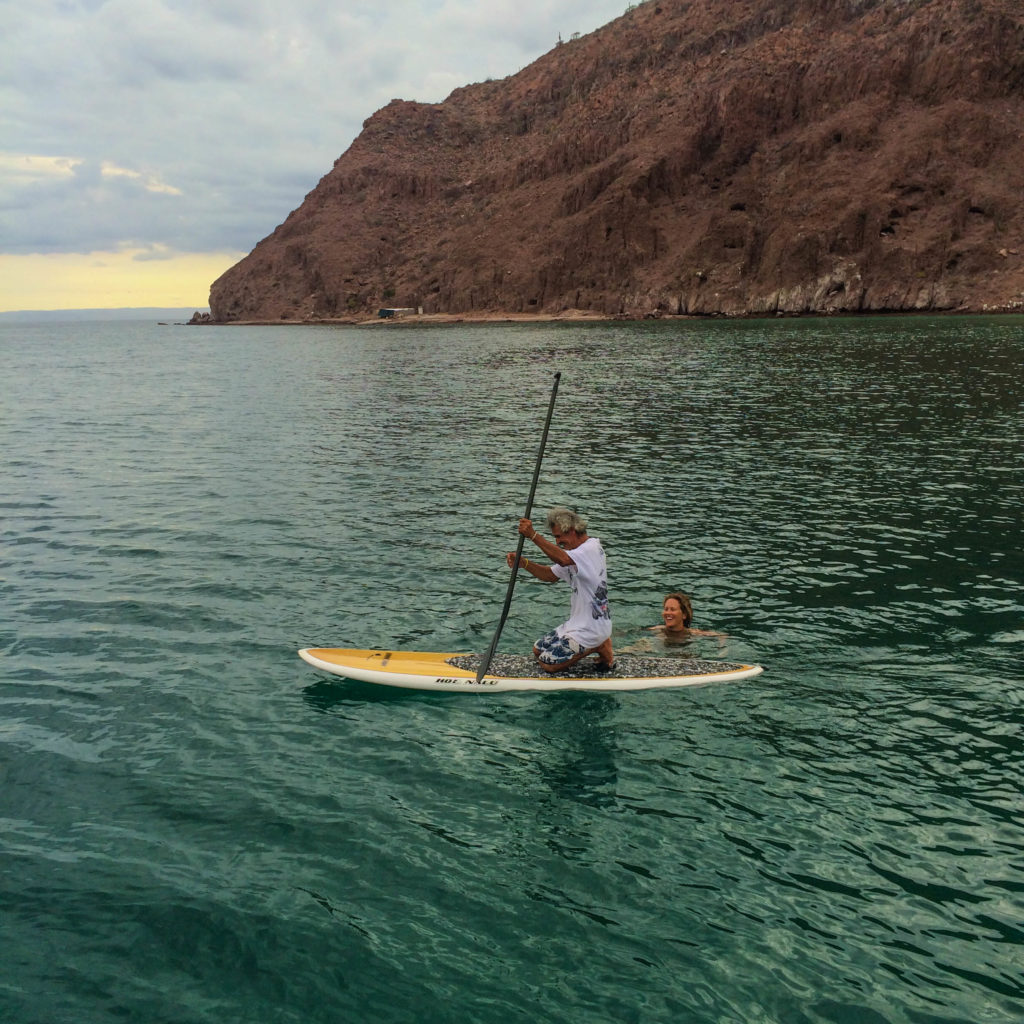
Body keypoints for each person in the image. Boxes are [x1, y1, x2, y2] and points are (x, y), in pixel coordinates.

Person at [505, 507, 613, 672]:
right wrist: (524, 563)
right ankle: (595, 644)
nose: (557, 542)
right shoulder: (574, 555)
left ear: (571, 531)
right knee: (538, 650)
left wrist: (533, 535)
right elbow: (549, 575)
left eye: (559, 537)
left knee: (547, 664)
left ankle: (598, 645)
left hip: (591, 629)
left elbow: (562, 559)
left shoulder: (589, 549)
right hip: (576, 624)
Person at [651, 591, 726, 643]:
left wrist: (722, 650)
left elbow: (721, 636)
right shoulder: (658, 631)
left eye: (672, 609)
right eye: (666, 609)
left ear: (684, 615)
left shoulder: (692, 633)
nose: (668, 613)